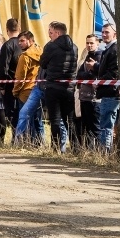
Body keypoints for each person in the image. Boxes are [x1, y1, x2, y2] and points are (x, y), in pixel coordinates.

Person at [38, 22, 78, 152]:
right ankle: (76, 148)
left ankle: (55, 148)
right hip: (69, 88)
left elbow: (43, 63)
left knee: (55, 120)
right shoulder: (74, 47)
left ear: (58, 33)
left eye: (51, 32)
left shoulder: (51, 46)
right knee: (70, 120)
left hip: (53, 87)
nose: (49, 35)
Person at [12, 31, 44, 146]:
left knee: (26, 119)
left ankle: (24, 143)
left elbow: (20, 77)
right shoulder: (41, 52)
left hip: (25, 91)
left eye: (22, 41)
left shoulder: (25, 56)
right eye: (18, 41)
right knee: (38, 120)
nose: (19, 43)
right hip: (39, 89)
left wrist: (15, 91)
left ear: (30, 41)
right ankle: (40, 144)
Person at [95, 23, 119, 152]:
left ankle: (105, 152)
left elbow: (114, 73)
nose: (104, 35)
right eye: (102, 32)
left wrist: (99, 81)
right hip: (107, 93)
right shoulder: (108, 49)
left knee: (106, 125)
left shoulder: (115, 49)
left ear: (114, 34)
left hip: (111, 93)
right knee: (106, 124)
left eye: (107, 32)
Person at [0, 18, 23, 138]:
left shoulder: (7, 45)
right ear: (19, 29)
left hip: (10, 84)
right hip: (24, 84)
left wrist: (2, 85)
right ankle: (22, 137)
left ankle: (15, 137)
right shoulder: (24, 43)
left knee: (12, 113)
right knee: (22, 112)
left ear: (7, 30)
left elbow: (3, 67)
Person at [76, 34, 102, 149]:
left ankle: (98, 152)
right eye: (87, 43)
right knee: (85, 126)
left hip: (95, 98)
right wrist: (87, 75)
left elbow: (96, 75)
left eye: (92, 43)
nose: (89, 45)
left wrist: (87, 75)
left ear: (97, 43)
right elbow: (79, 75)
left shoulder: (100, 56)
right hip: (84, 96)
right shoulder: (87, 56)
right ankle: (88, 151)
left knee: (95, 127)